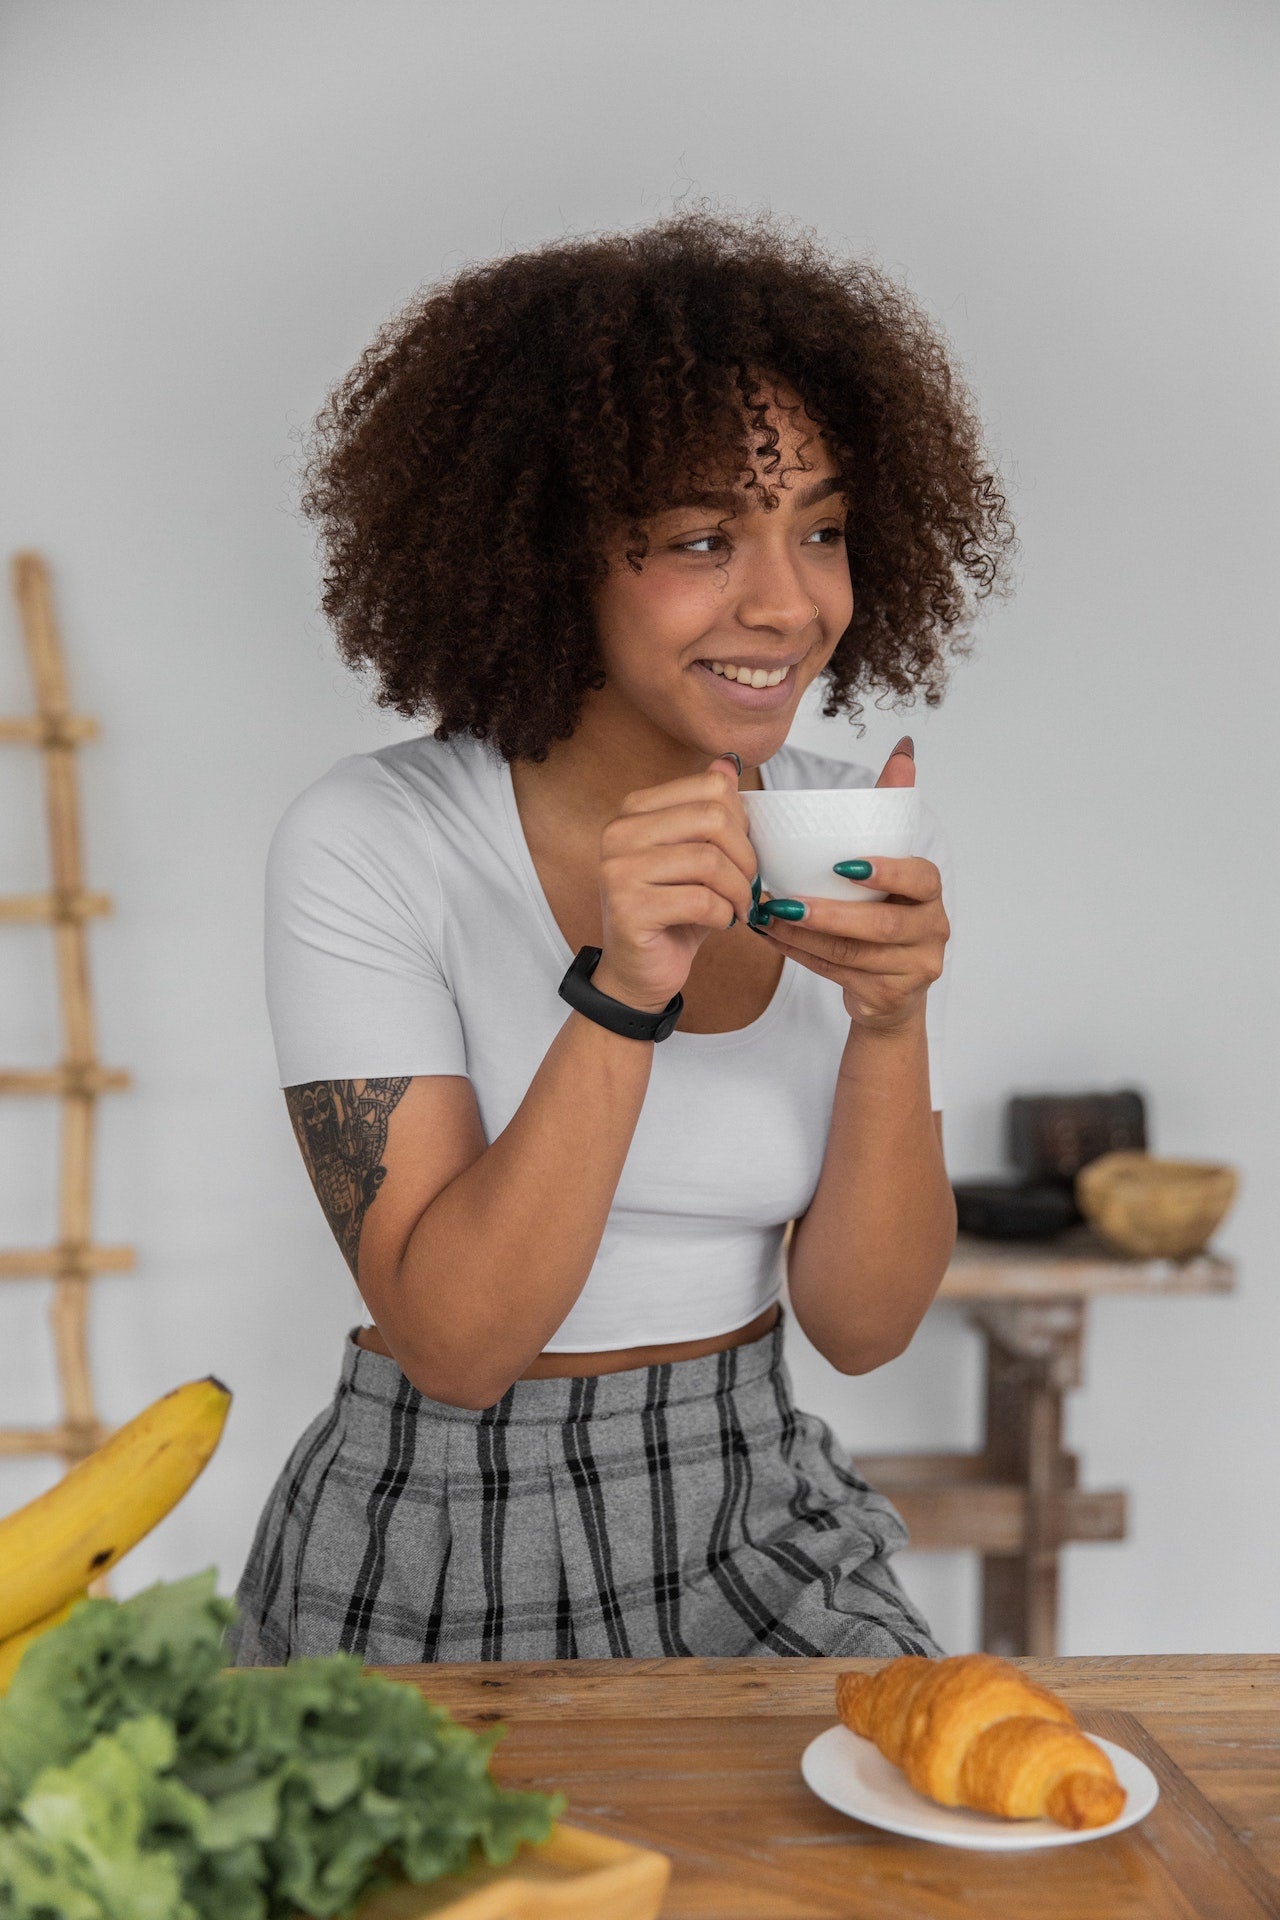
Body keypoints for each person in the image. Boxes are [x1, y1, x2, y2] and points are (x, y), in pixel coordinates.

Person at [227, 207, 1015, 1666]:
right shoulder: (375, 840)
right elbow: (458, 1345)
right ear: (546, 554)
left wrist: (889, 1027)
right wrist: (621, 988)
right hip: (440, 1523)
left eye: (823, 528)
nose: (789, 602)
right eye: (705, 539)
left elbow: (863, 1325)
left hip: (756, 1504)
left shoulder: (845, 830)